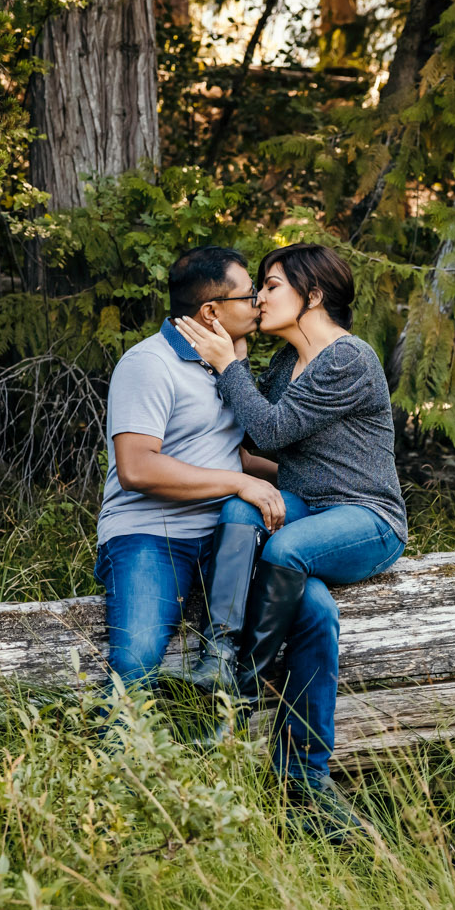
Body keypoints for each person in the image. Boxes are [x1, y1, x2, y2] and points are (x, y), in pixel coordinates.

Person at [174, 242, 407, 843]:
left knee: (283, 551)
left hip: (365, 517)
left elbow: (271, 427)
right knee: (294, 583)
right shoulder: (284, 365)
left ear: (315, 294)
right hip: (306, 509)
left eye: (272, 286)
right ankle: (292, 761)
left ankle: (240, 692)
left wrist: (229, 365)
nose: (259, 298)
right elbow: (260, 444)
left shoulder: (347, 359)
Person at [96, 246, 283, 709]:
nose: (259, 301)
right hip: (151, 536)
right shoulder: (149, 365)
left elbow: (227, 453)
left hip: (226, 536)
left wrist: (297, 478)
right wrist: (240, 484)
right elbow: (137, 467)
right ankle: (111, 769)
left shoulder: (223, 365)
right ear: (211, 311)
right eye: (249, 295)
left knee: (299, 618)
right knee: (137, 657)